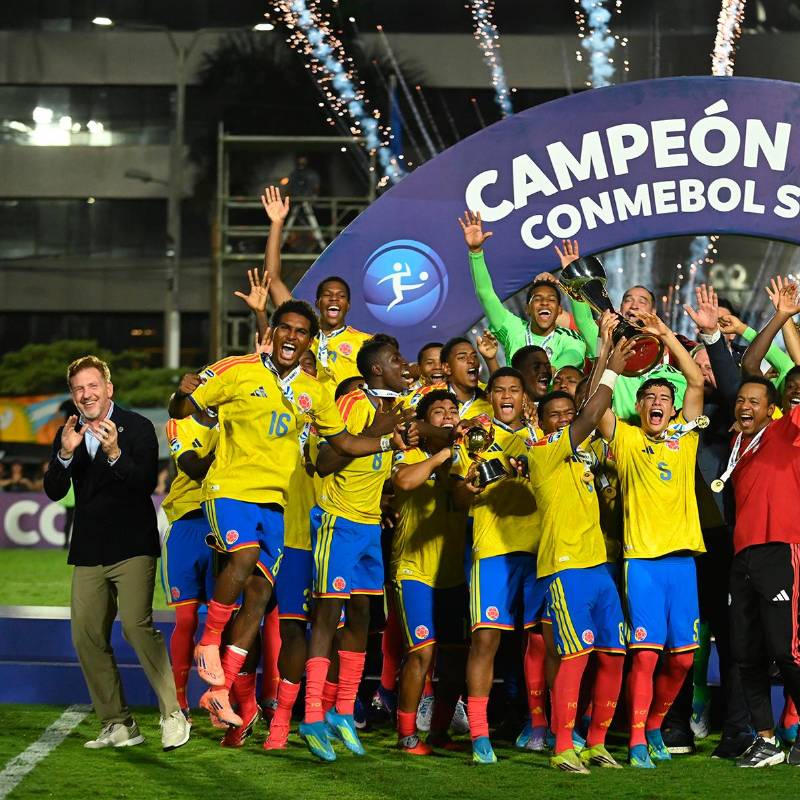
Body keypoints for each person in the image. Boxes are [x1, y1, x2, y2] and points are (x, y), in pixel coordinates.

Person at [168, 303, 415, 730]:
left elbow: (343, 444)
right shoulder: (238, 369)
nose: (292, 336)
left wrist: (386, 442)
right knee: (244, 558)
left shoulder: (314, 392)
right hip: (229, 491)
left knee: (259, 594)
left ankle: (220, 689)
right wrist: (181, 392)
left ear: (309, 342)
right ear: (275, 332)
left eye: (302, 332)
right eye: (286, 328)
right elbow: (180, 409)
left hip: (276, 504)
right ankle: (208, 644)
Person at [43, 355, 190, 751]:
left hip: (132, 546)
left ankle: (172, 714)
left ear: (109, 388)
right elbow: (54, 490)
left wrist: (114, 453)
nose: (86, 394)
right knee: (86, 636)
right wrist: (65, 455)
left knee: (136, 627)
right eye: (78, 389)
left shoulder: (137, 427)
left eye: (93, 386)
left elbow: (144, 483)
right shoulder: (69, 432)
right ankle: (118, 723)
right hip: (89, 550)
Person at [595, 310, 706, 769]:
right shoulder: (625, 439)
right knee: (645, 656)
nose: (658, 402)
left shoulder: (685, 435)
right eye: (650, 398)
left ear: (673, 408)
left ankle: (656, 724)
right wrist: (607, 352)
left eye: (664, 398)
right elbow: (596, 408)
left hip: (683, 563)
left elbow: (695, 382)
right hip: (641, 562)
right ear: (639, 407)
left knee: (682, 661)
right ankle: (638, 737)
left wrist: (663, 334)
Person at [299, 336, 417, 762]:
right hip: (337, 521)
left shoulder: (396, 408)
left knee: (364, 615)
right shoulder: (353, 403)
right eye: (396, 359)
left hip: (369, 525)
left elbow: (381, 465)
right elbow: (325, 462)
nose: (405, 364)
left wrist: (386, 498)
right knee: (327, 614)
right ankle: (312, 714)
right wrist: (377, 433)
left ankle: (344, 709)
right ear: (376, 369)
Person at [524, 334, 634, 773]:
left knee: (613, 654)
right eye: (555, 415)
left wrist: (604, 348)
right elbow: (591, 412)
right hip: (565, 567)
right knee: (574, 656)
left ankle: (597, 744)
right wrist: (614, 370)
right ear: (541, 422)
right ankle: (562, 747)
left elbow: (588, 405)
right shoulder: (542, 452)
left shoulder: (586, 455)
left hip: (598, 567)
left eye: (567, 414)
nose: (564, 419)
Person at [722, 283, 800, 768]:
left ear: (773, 408)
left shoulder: (789, 430)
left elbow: (758, 367)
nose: (746, 405)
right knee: (746, 653)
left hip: (781, 550)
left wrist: (785, 318)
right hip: (742, 555)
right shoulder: (738, 442)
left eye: (756, 400)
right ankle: (767, 740)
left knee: (786, 650)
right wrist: (777, 319)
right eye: (741, 401)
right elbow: (749, 366)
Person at [450, 367, 543, 764]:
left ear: (525, 397)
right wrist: (469, 488)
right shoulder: (474, 438)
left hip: (541, 550)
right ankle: (480, 734)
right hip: (492, 551)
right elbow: (456, 498)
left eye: (514, 390)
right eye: (499, 390)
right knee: (486, 641)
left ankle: (540, 725)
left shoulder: (542, 435)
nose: (506, 396)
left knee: (541, 642)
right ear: (490, 397)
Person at [390, 389, 468, 755]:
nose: (449, 415)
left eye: (453, 410)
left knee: (454, 659)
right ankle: (407, 736)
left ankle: (438, 732)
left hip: (453, 573)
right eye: (439, 411)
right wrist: (442, 455)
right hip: (414, 570)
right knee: (421, 653)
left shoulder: (466, 458)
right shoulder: (410, 453)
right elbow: (404, 482)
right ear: (423, 423)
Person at [260, 185, 372, 394]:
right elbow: (272, 279)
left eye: (340, 296)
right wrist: (276, 223)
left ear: (348, 305)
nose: (334, 299)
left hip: (345, 415)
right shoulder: (303, 333)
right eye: (327, 295)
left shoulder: (365, 343)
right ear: (318, 303)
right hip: (304, 411)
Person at [459, 211, 587, 368]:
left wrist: (574, 277)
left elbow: (574, 356)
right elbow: (486, 295)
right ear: (527, 309)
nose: (544, 303)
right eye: (537, 299)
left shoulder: (570, 338)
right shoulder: (513, 329)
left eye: (551, 299)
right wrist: (475, 252)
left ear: (559, 310)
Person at [161, 409, 219, 722]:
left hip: (223, 523)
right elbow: (193, 468)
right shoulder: (178, 425)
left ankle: (220, 698)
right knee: (185, 619)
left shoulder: (237, 419)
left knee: (222, 623)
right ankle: (179, 701)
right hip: (185, 525)